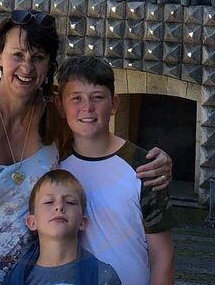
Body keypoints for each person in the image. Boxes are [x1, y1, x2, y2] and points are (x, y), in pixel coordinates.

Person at [0, 11, 172, 285]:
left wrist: (153, 161)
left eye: (37, 57)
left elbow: (96, 141)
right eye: (17, 55)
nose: (27, 67)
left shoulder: (54, 115)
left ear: (49, 64)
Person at [57, 56, 175, 285]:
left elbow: (163, 258)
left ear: (114, 104)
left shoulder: (145, 167)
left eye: (97, 97)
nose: (87, 107)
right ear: (60, 106)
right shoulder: (53, 163)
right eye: (76, 98)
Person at [3, 169, 121, 285]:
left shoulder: (103, 277)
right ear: (32, 222)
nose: (59, 206)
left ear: (82, 222)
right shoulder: (16, 278)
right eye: (49, 202)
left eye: (70, 202)